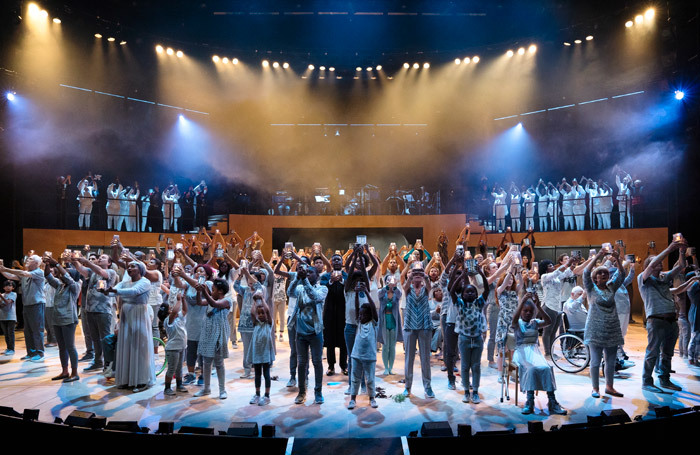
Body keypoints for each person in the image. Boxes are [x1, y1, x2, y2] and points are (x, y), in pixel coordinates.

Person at [638, 239, 687, 392]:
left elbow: (682, 266)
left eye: (660, 261)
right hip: (656, 320)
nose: (659, 263)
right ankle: (646, 382)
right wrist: (669, 248)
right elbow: (652, 265)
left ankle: (665, 379)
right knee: (652, 352)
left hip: (671, 320)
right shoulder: (643, 278)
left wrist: (681, 251)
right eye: (656, 261)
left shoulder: (664, 277)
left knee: (667, 353)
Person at [101, 261, 155, 392]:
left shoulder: (145, 282)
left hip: (139, 315)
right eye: (128, 267)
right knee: (126, 346)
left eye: (133, 266)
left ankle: (141, 380)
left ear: (140, 269)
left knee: (139, 347)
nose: (130, 268)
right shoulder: (125, 282)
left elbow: (134, 291)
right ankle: (127, 379)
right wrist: (105, 291)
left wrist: (114, 290)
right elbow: (113, 292)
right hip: (126, 315)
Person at [512, 292, 567, 415]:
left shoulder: (535, 322)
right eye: (525, 310)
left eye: (530, 311)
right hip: (521, 351)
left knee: (547, 368)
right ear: (521, 311)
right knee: (531, 369)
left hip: (534, 350)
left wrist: (539, 306)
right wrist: (521, 303)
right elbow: (514, 319)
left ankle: (552, 402)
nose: (527, 313)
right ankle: (529, 401)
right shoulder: (518, 323)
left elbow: (549, 321)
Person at [583, 248, 626, 397]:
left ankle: (609, 386)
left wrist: (618, 259)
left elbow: (622, 275)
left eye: (606, 273)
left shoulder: (611, 287)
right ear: (595, 277)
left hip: (611, 328)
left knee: (611, 361)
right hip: (595, 329)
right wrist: (598, 256)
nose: (603, 274)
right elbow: (585, 273)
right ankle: (595, 388)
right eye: (600, 273)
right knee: (595, 361)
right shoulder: (591, 288)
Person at [449, 263, 490, 404]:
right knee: (465, 366)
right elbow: (451, 291)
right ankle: (466, 391)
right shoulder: (460, 304)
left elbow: (487, 289)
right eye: (467, 292)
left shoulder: (479, 303)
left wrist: (480, 273)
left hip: (477, 339)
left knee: (476, 366)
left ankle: (476, 391)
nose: (470, 293)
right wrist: (462, 275)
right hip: (464, 339)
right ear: (463, 294)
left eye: (473, 291)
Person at [288, 263, 328, 404]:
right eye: (306, 272)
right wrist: (297, 278)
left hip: (315, 332)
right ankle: (301, 392)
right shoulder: (299, 287)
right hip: (300, 332)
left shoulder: (323, 289)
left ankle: (318, 392)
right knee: (302, 363)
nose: (308, 274)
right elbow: (290, 293)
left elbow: (314, 296)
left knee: (317, 362)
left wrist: (304, 280)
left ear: (317, 276)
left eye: (311, 272)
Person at [72, 254, 118, 373]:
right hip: (90, 310)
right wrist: (74, 260)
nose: (100, 259)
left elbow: (102, 272)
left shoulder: (111, 272)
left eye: (103, 258)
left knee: (105, 338)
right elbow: (80, 269)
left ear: (109, 263)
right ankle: (98, 362)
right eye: (100, 257)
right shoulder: (92, 272)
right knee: (95, 339)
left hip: (103, 310)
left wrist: (86, 261)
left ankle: (109, 363)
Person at [1, 255, 46, 361]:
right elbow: (10, 276)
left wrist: (6, 268)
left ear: (36, 263)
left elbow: (24, 273)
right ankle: (31, 352)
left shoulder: (39, 272)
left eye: (30, 259)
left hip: (36, 304)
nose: (27, 260)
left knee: (37, 329)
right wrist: (1, 268)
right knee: (28, 330)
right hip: (27, 305)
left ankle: (39, 353)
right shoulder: (25, 274)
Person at [44, 256, 81, 382]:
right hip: (57, 318)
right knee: (61, 347)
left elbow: (68, 278)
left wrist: (58, 264)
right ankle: (65, 371)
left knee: (70, 346)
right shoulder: (59, 285)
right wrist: (47, 264)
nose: (63, 274)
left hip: (68, 319)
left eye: (68, 273)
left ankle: (74, 373)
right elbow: (48, 276)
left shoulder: (74, 286)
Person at [194, 278, 232, 399]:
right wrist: (199, 292)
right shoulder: (212, 299)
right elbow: (200, 302)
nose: (211, 291)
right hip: (208, 332)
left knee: (219, 362)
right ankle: (206, 388)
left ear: (220, 291)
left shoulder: (227, 300)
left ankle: (222, 390)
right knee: (206, 362)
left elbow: (215, 304)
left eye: (213, 289)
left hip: (219, 333)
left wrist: (205, 291)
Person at [539, 257, 574, 357]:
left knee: (554, 331)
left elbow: (565, 273)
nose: (553, 267)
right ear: (545, 269)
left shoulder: (556, 278)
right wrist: (567, 263)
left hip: (557, 306)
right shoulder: (544, 276)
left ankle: (551, 351)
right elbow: (557, 272)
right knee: (547, 331)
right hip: (549, 306)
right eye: (550, 266)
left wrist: (572, 265)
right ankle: (547, 353)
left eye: (552, 265)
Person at [347, 299, 379, 410]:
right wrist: (356, 294)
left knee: (370, 379)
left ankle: (372, 398)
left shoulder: (373, 323)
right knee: (355, 378)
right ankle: (352, 399)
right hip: (356, 355)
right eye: (359, 314)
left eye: (363, 314)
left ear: (369, 315)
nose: (360, 316)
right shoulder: (359, 322)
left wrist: (366, 291)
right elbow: (356, 308)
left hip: (370, 356)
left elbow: (374, 308)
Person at [321, 254, 348, 376]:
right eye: (334, 259)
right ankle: (331, 366)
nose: (337, 261)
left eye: (339, 259)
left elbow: (349, 288)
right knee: (330, 340)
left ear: (342, 262)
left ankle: (344, 366)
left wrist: (342, 281)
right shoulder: (325, 276)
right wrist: (331, 281)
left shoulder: (346, 276)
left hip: (343, 311)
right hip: (329, 311)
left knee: (344, 340)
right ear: (331, 263)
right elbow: (322, 289)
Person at [248, 295, 275, 406]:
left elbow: (267, 311)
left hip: (266, 353)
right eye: (259, 313)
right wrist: (255, 301)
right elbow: (251, 313)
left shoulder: (269, 323)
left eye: (262, 313)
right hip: (257, 353)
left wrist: (262, 300)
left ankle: (267, 395)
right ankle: (257, 394)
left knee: (266, 374)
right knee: (257, 374)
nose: (261, 315)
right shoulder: (256, 323)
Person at [161, 293, 188, 396]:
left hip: (181, 347)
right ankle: (167, 388)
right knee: (172, 368)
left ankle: (179, 385)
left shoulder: (178, 318)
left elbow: (184, 310)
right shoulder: (168, 320)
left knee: (179, 368)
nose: (172, 308)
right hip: (173, 348)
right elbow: (174, 312)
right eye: (170, 309)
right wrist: (179, 300)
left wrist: (184, 300)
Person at [377, 276, 402, 375]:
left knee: (392, 346)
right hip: (385, 321)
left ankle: (391, 367)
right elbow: (379, 295)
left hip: (393, 320)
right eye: (388, 281)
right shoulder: (382, 293)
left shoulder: (396, 293)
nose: (390, 283)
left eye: (392, 281)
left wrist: (395, 287)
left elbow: (400, 295)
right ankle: (386, 368)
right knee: (385, 346)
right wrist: (386, 287)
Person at [0, 281, 17, 355]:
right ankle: (8, 348)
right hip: (2, 317)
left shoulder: (14, 294)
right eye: (6, 286)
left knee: (11, 333)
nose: (8, 287)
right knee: (6, 334)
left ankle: (12, 349)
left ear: (13, 287)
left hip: (11, 317)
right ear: (3, 287)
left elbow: (7, 302)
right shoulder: (3, 295)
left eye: (10, 285)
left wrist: (1, 297)